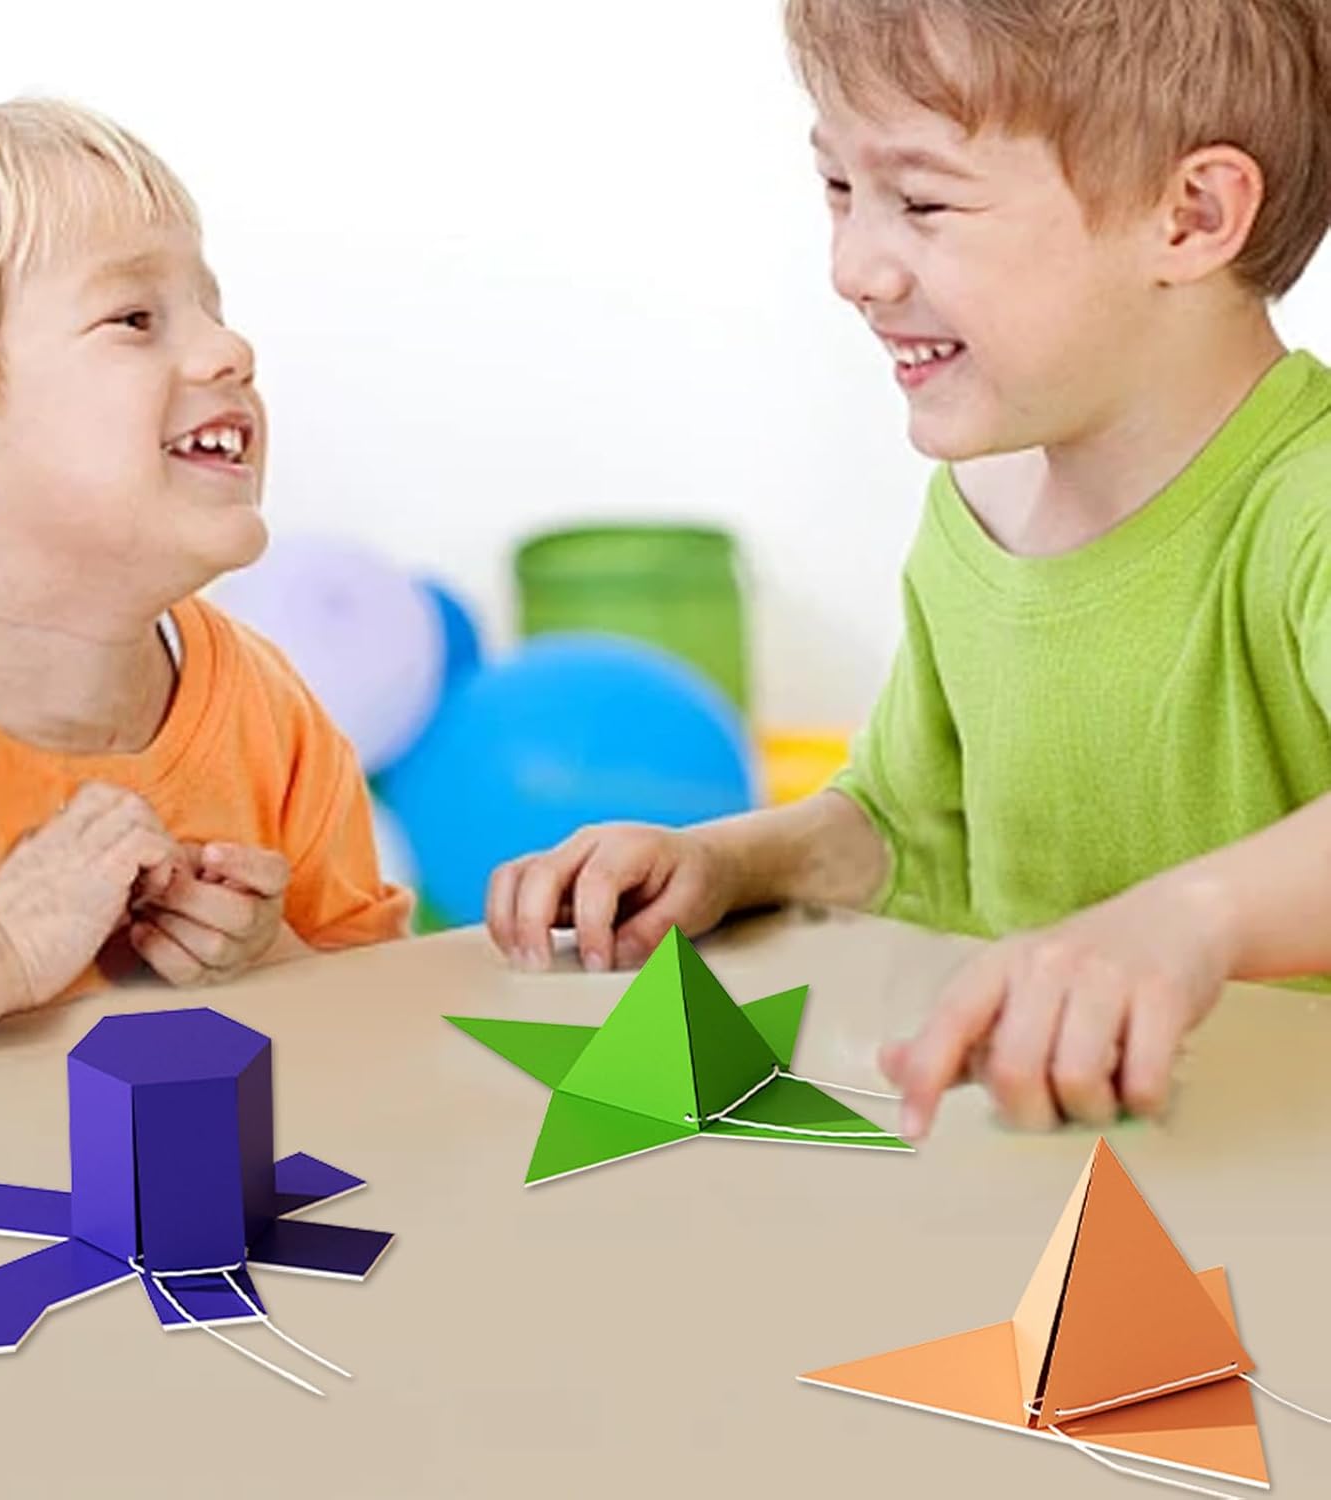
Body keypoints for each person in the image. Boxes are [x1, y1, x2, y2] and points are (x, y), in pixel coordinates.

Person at [486, 0, 1331, 1139]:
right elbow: (906, 825)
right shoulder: (978, 503)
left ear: (1192, 216)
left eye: (923, 201)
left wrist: (1191, 921)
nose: (853, 269)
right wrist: (725, 861)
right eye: (840, 187)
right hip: (1062, 1168)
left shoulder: (1309, 501)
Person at [0, 99, 410, 1070]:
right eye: (135, 319)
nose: (232, 351)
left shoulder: (271, 720)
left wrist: (273, 961)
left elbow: (380, 1042)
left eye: (213, 308)